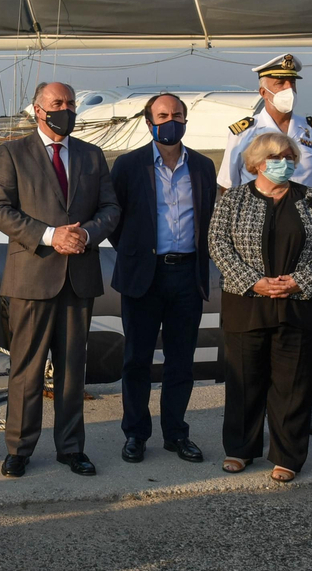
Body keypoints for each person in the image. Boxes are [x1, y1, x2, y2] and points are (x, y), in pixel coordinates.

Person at [0, 82, 120, 478]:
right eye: (58, 103)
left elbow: (111, 207)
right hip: (31, 276)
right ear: (38, 110)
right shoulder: (13, 153)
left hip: (78, 277)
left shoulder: (92, 155)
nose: (67, 109)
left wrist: (87, 233)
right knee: (26, 369)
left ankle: (71, 448)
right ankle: (19, 449)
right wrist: (51, 235)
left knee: (72, 368)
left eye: (71, 103)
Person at [211, 132, 312, 481]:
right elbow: (218, 244)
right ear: (255, 163)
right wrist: (254, 281)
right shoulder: (233, 200)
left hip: (299, 304)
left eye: (287, 156)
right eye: (274, 157)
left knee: (294, 383)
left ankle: (288, 455)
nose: (283, 163)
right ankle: (240, 449)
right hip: (247, 303)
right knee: (244, 381)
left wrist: (301, 280)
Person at [107, 93, 217, 465]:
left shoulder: (202, 166)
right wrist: (137, 253)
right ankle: (136, 434)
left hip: (187, 274)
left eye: (177, 115)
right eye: (163, 115)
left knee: (180, 361)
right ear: (148, 120)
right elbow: (114, 219)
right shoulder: (128, 165)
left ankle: (176, 434)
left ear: (186, 120)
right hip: (143, 275)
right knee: (136, 360)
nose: (171, 120)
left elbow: (208, 217)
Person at [217, 53, 312, 192]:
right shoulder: (245, 132)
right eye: (280, 83)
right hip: (257, 211)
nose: (289, 89)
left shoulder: (310, 131)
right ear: (263, 92)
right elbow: (228, 185)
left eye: (292, 82)